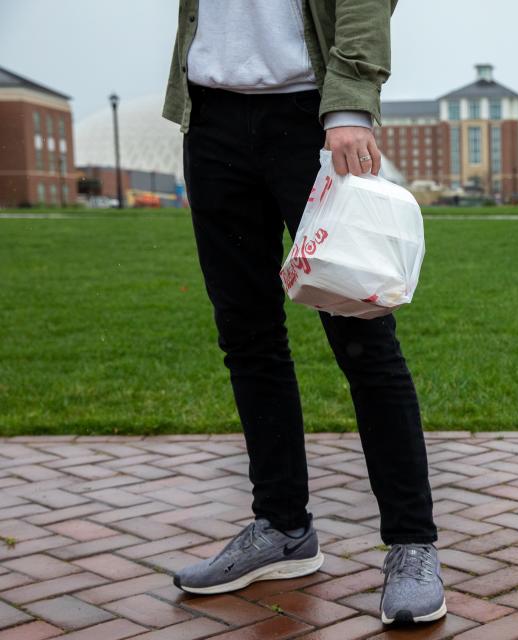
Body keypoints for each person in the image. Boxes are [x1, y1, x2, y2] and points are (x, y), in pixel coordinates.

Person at [160, 0, 445, 625]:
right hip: (210, 119)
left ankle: (411, 544)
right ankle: (283, 529)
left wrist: (350, 103)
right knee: (248, 338)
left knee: (364, 336)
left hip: (311, 115)